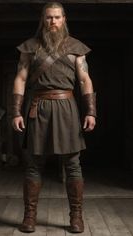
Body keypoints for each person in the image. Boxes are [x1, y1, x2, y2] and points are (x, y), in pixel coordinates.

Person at [11, 2, 96, 233]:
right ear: (43, 19)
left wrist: (90, 111)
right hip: (37, 108)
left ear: (64, 19)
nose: (53, 22)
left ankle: (76, 218)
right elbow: (20, 78)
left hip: (67, 107)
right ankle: (29, 218)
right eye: (49, 18)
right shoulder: (30, 47)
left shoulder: (75, 47)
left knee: (72, 164)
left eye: (57, 17)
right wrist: (16, 111)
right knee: (33, 164)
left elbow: (84, 80)